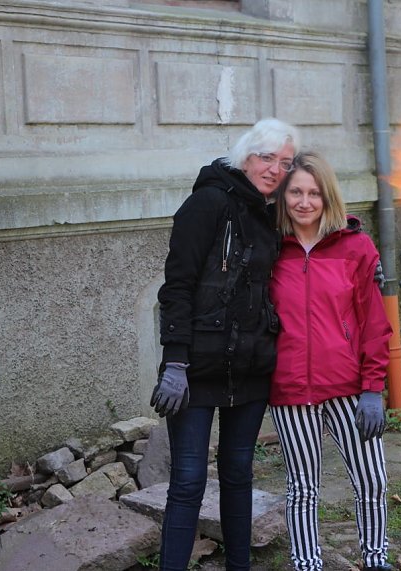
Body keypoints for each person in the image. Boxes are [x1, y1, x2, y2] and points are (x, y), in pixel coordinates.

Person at [152, 117, 301, 571]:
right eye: (267, 158)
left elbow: (315, 236)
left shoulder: (271, 215)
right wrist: (174, 361)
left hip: (252, 369)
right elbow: (176, 286)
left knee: (238, 475)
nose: (275, 169)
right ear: (245, 156)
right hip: (196, 369)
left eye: (285, 163)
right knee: (188, 481)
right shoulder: (207, 203)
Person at [268, 151, 394, 571]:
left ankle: (375, 559)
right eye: (296, 193)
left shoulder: (355, 248)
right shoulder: (269, 249)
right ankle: (307, 563)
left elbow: (374, 324)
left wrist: (374, 389)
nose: (305, 202)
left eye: (314, 193)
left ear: (328, 197)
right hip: (289, 392)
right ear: (284, 196)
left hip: (348, 389)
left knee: (371, 480)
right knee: (303, 488)